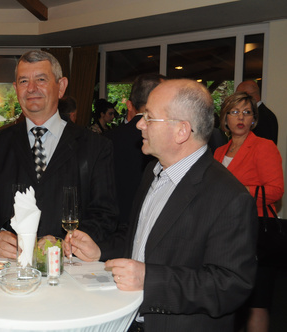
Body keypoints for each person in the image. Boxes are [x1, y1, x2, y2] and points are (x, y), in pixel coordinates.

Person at [66, 79, 258, 332]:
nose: (140, 124)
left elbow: (230, 285)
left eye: (149, 117)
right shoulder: (152, 172)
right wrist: (99, 250)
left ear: (181, 131)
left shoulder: (229, 197)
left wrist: (150, 279)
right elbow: (140, 240)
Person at [0, 50, 118, 260]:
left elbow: (106, 215)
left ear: (61, 86)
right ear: (15, 88)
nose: (31, 88)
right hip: (12, 271)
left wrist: (64, 243)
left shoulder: (95, 146)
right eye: (23, 81)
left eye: (41, 79)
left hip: (69, 271)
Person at [214, 91, 284, 332]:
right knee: (228, 300)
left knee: (257, 303)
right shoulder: (218, 152)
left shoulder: (264, 146)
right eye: (234, 112)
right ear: (225, 119)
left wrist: (236, 189)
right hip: (225, 235)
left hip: (256, 233)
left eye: (246, 112)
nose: (240, 117)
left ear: (254, 119)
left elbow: (275, 191)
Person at [104, 74, 165, 226]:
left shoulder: (107, 139)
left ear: (132, 104)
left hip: (112, 224)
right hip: (152, 223)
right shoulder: (165, 139)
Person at [236, 80, 278, 144]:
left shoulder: (264, 117)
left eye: (238, 96)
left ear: (247, 95)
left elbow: (263, 146)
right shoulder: (262, 113)